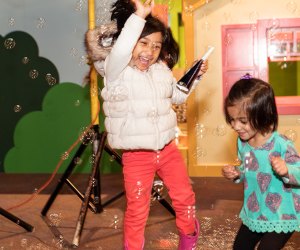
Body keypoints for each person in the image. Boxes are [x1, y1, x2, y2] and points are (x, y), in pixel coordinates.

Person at [87, 0, 208, 249]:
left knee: (185, 197)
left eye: (156, 46)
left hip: (167, 151)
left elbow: (178, 95)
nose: (150, 52)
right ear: (129, 42)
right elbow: (120, 52)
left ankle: (188, 240)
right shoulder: (115, 71)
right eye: (143, 43)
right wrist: (140, 15)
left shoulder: (160, 70)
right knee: (137, 209)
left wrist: (195, 76)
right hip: (137, 156)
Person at [222, 74, 300, 250]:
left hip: (282, 213)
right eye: (232, 120)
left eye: (242, 121)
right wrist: (237, 173)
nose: (235, 126)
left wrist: (287, 170)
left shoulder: (281, 144)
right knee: (239, 247)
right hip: (255, 210)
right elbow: (248, 167)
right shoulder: (243, 143)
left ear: (263, 114)